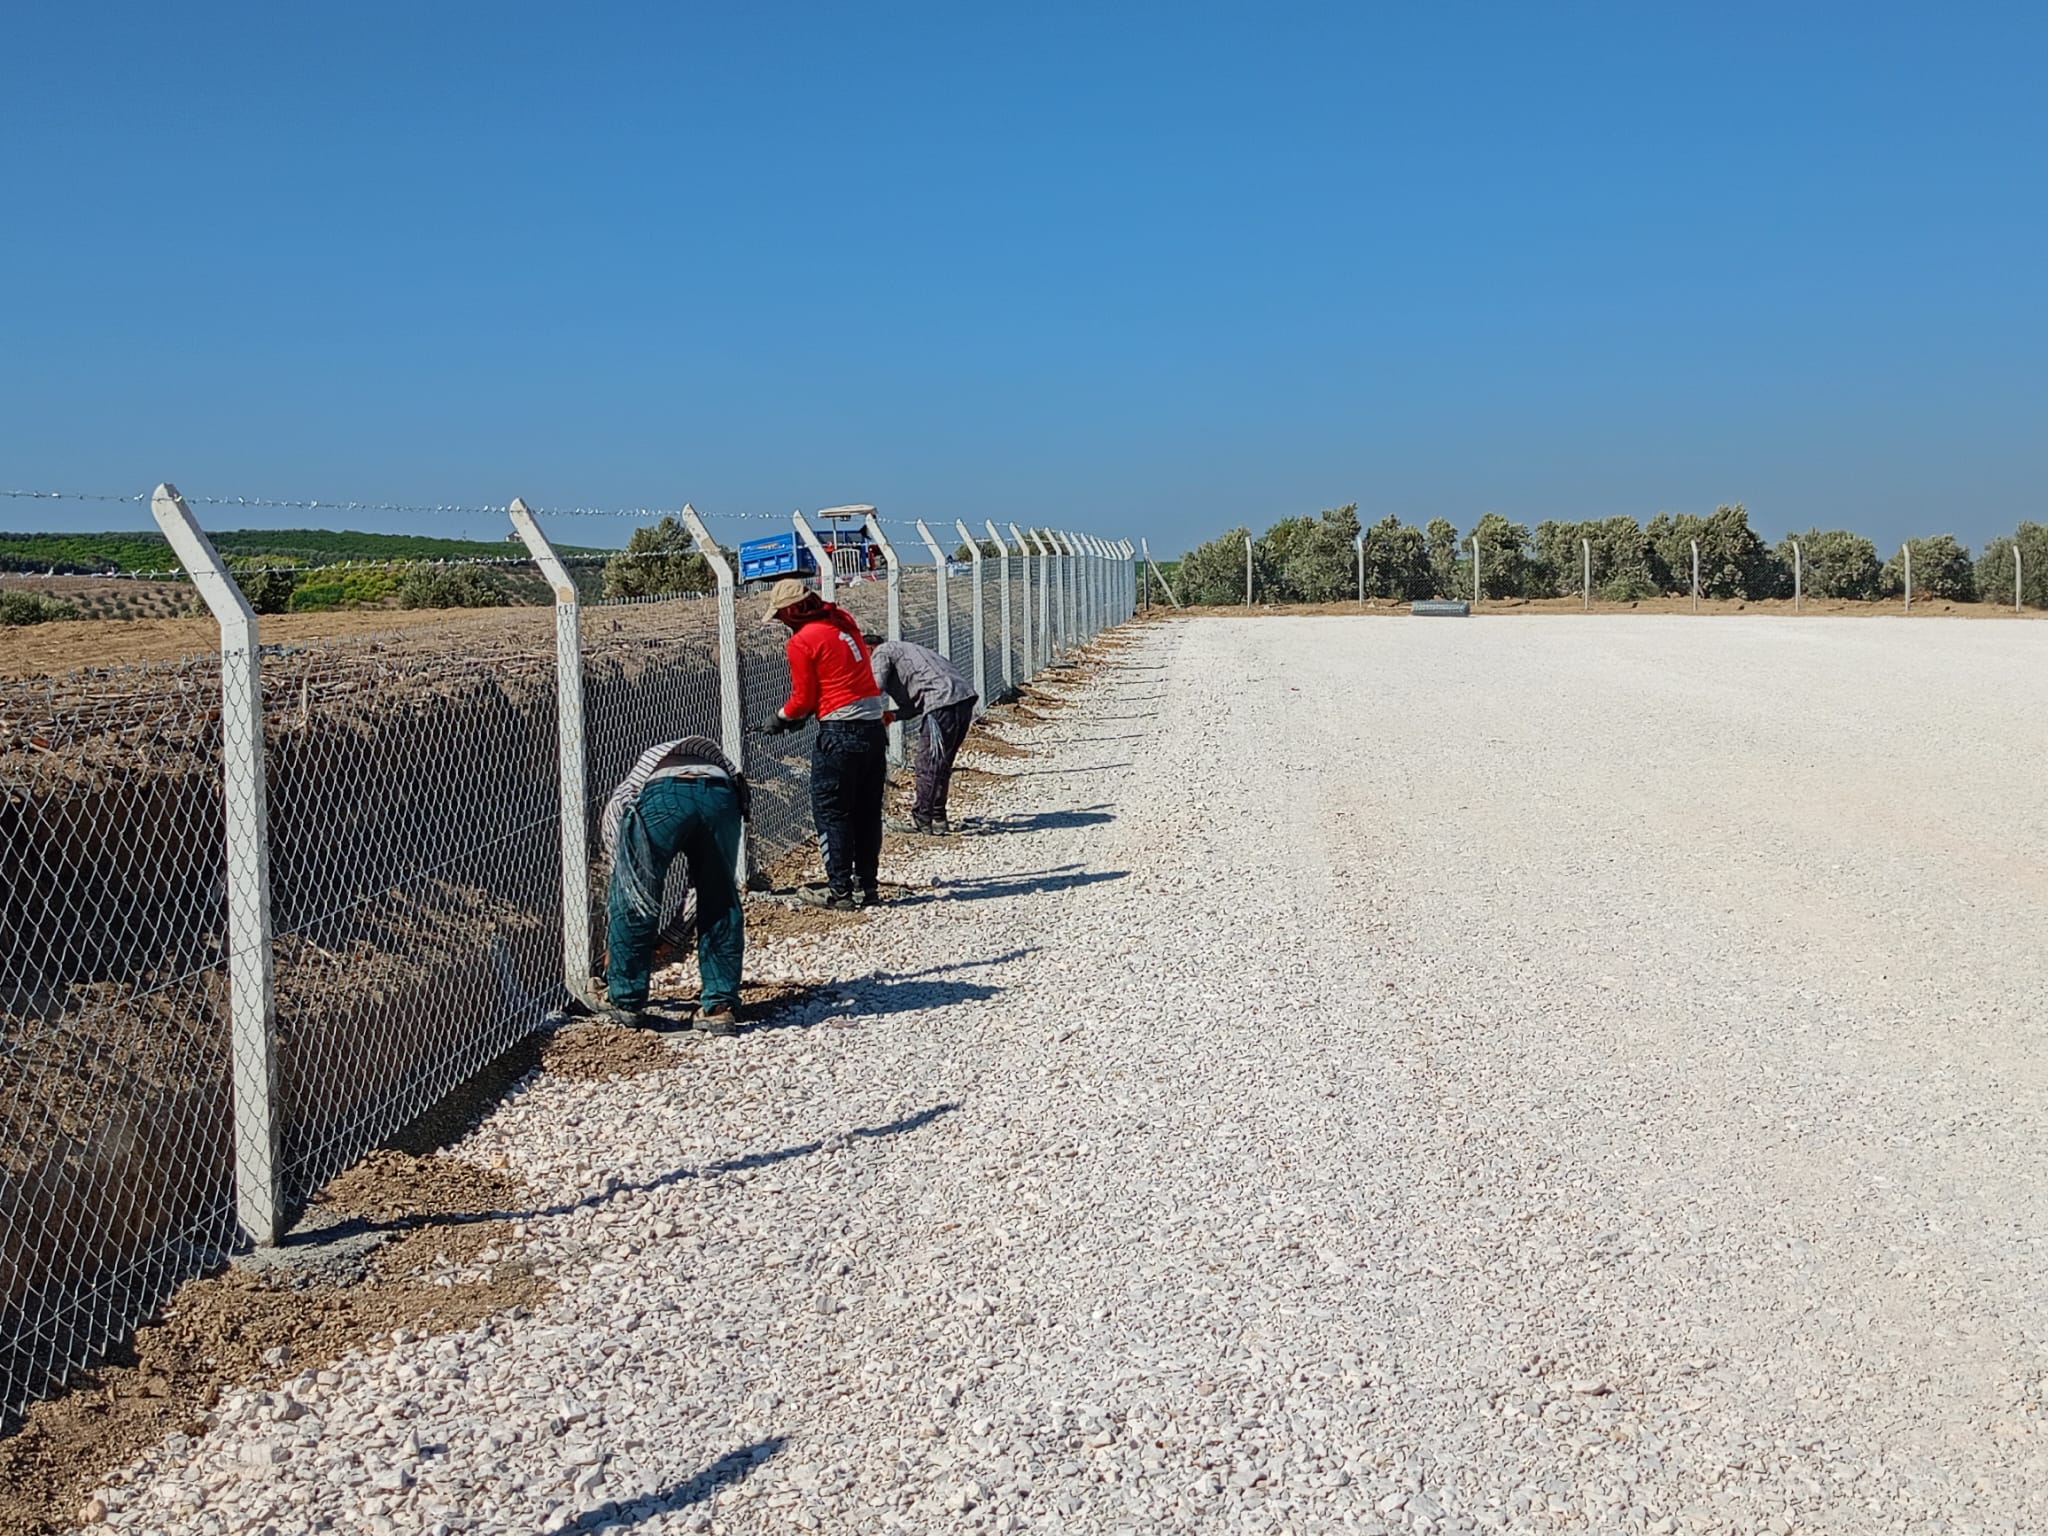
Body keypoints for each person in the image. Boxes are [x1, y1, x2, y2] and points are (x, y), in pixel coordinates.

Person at [599, 735, 750, 1035]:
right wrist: (673, 935)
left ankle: (625, 1000)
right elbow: (699, 890)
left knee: (634, 893)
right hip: (722, 795)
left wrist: (624, 942)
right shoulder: (713, 762)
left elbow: (627, 867)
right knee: (719, 897)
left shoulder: (631, 786)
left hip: (663, 793)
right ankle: (720, 1008)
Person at [762, 577, 888, 910]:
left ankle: (840, 892)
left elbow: (802, 699)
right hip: (873, 727)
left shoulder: (801, 642)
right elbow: (839, 672)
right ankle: (867, 887)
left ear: (792, 611)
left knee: (832, 811)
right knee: (866, 810)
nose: (781, 622)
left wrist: (783, 717)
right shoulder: (842, 619)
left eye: (781, 616)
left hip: (839, 732)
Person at [865, 632, 978, 835]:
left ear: (869, 648)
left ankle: (922, 818)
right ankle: (937, 818)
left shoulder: (881, 652)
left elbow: (875, 689)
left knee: (927, 764)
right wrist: (892, 715)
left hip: (941, 703)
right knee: (941, 764)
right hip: (961, 700)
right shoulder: (906, 652)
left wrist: (857, 711)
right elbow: (914, 707)